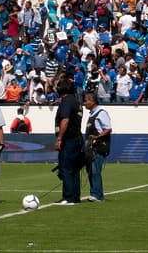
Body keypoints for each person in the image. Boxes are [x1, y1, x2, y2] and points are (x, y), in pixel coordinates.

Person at [53, 76, 83, 205]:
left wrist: (59, 138)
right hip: (77, 138)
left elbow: (65, 120)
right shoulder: (76, 101)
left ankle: (68, 197)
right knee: (75, 169)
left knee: (66, 168)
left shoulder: (66, 102)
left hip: (69, 139)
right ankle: (75, 196)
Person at [82, 92, 112, 203]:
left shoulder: (101, 113)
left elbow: (108, 129)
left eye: (86, 101)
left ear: (92, 101)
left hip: (99, 147)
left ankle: (97, 195)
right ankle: (94, 193)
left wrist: (97, 137)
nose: (84, 103)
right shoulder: (92, 114)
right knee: (90, 170)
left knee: (95, 170)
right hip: (91, 147)